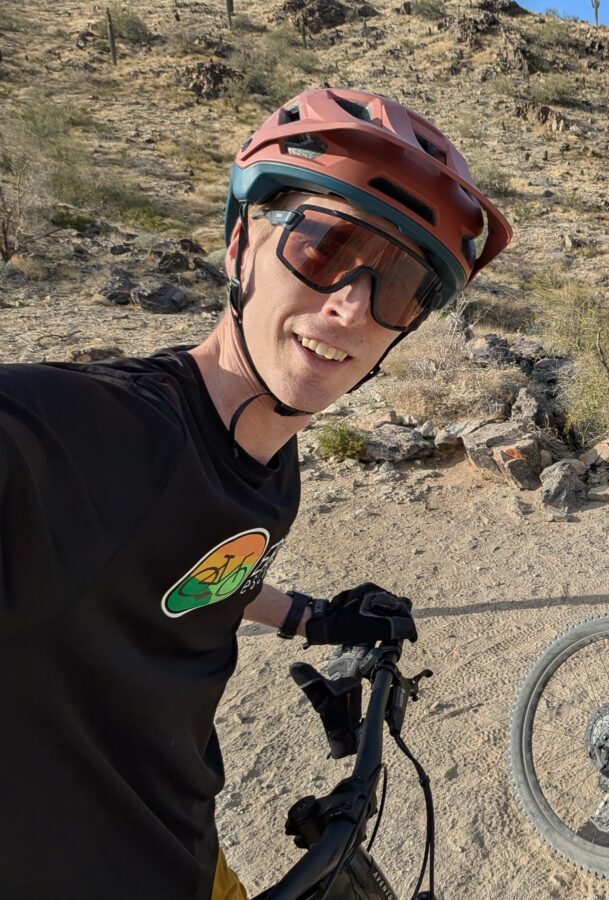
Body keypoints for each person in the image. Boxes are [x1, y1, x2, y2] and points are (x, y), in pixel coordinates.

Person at [0, 88, 511, 900]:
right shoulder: (83, 434)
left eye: (400, 283)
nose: (350, 307)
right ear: (240, 245)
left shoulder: (272, 463)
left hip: (192, 859)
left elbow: (189, 569)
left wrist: (310, 616)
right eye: (325, 245)